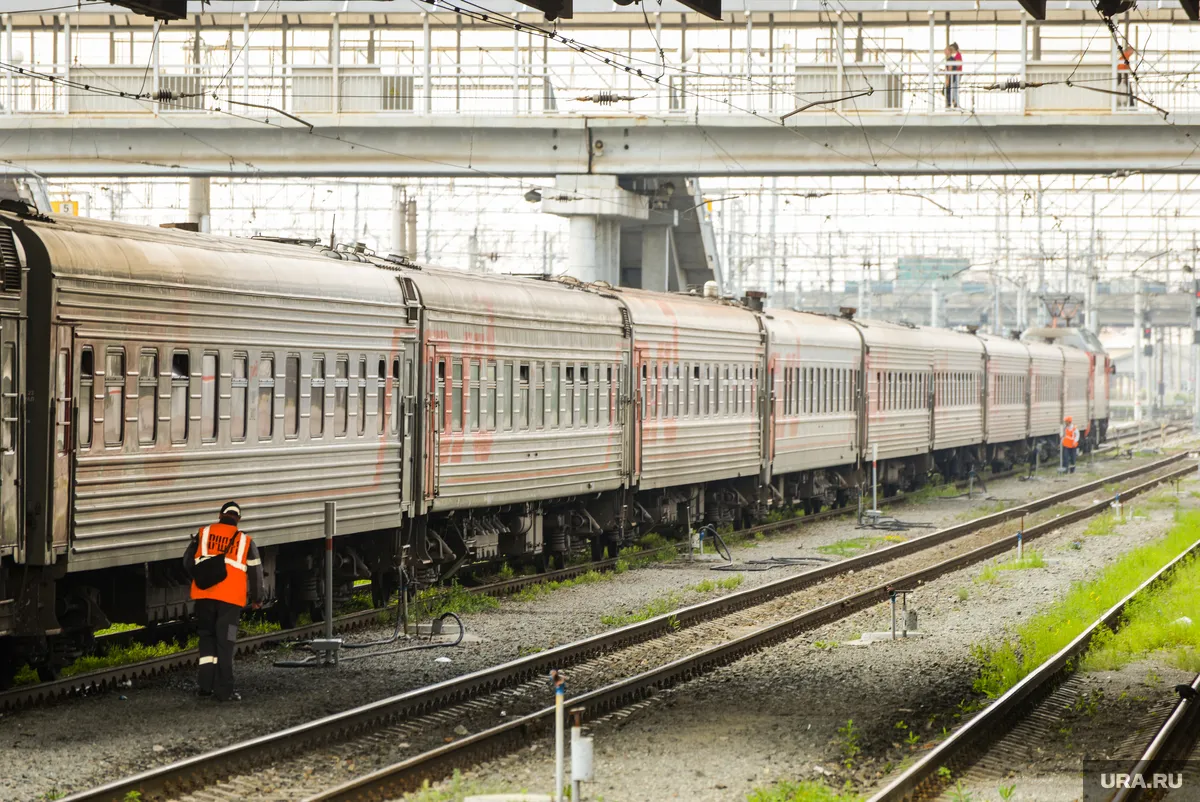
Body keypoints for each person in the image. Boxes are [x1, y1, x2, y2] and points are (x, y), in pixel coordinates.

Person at [183, 501, 263, 701]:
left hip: (204, 597)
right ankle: (224, 691)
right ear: (239, 519)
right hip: (231, 601)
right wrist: (256, 599)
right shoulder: (245, 541)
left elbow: (186, 562)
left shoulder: (204, 533)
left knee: (207, 640)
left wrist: (200, 576)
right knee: (226, 643)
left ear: (220, 515)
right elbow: (256, 573)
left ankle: (204, 688)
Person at [944, 43, 963, 109]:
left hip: (956, 74)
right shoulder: (954, 56)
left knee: (954, 89)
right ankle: (954, 102)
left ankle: (955, 103)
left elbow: (957, 65)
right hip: (955, 74)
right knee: (953, 89)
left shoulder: (957, 56)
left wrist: (952, 68)